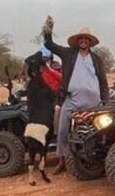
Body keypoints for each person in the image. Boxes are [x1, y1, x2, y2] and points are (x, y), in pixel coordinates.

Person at [41, 16, 109, 174]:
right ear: (78, 41)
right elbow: (49, 45)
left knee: (98, 130)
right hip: (72, 100)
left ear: (90, 42)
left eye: (86, 39)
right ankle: (62, 160)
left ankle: (98, 160)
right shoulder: (68, 54)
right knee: (63, 128)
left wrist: (105, 102)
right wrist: (48, 31)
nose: (83, 40)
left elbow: (103, 82)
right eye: (81, 38)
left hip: (93, 102)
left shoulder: (97, 59)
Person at [23, 49, 61, 185]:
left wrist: (50, 69)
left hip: (56, 101)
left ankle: (57, 134)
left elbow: (61, 81)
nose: (45, 63)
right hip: (44, 106)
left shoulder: (55, 71)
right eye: (43, 62)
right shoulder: (38, 77)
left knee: (57, 110)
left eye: (47, 60)